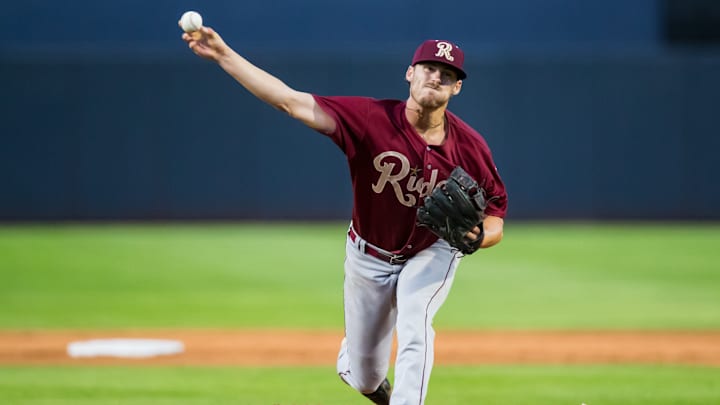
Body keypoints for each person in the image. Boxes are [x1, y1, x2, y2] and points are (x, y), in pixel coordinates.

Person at [181, 23, 508, 405]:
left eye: (447, 74)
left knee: (415, 320)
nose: (436, 76)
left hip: (431, 250)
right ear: (410, 73)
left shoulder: (471, 147)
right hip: (368, 255)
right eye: (429, 67)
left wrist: (481, 237)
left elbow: (496, 213)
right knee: (366, 377)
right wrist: (223, 55)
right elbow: (291, 101)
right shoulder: (371, 119)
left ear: (457, 88)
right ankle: (355, 359)